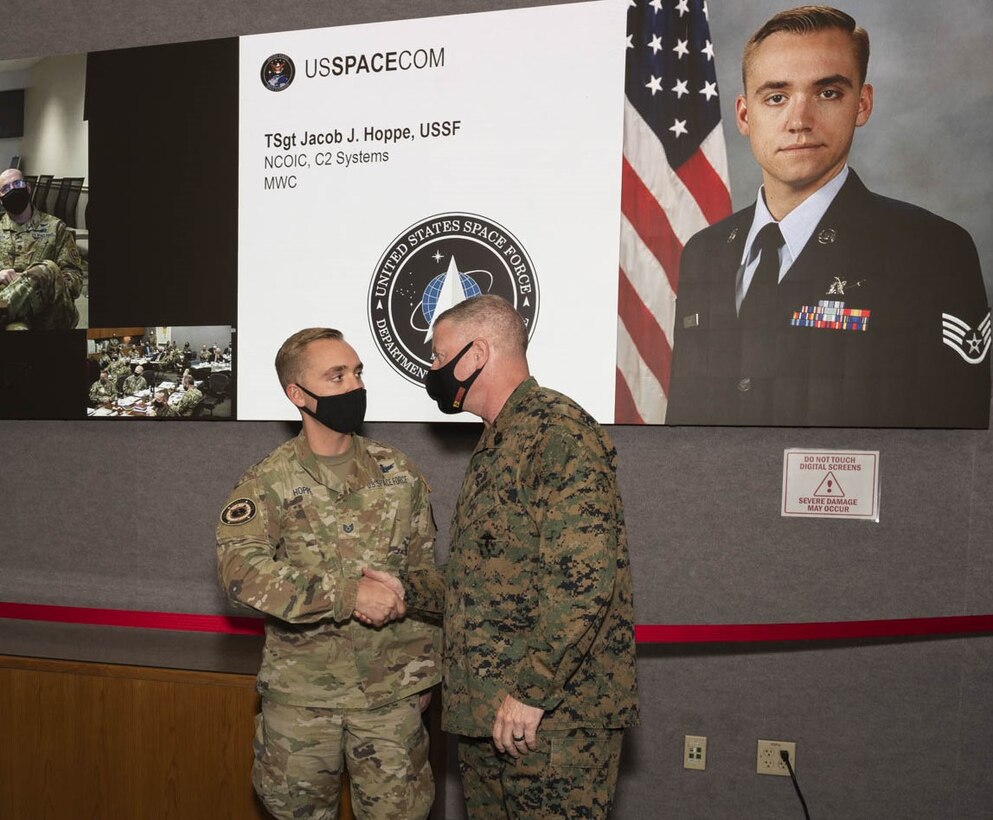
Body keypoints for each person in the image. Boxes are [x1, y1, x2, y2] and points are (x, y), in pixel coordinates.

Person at [364, 295, 639, 818]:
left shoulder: (558, 434)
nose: (433, 370)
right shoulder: (499, 439)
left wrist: (532, 691)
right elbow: (483, 581)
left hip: (553, 723)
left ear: (476, 354)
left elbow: (582, 584)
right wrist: (406, 587)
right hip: (492, 715)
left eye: (440, 356)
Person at [666, 5, 991, 428]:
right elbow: (684, 434)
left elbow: (952, 457)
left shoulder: (931, 252)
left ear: (862, 104)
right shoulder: (704, 252)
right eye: (777, 97)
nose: (799, 120)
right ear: (746, 115)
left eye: (828, 93)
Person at [216, 327, 441, 819]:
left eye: (357, 373)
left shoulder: (399, 473)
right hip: (302, 701)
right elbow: (240, 575)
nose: (353, 386)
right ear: (297, 393)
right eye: (336, 376)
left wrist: (425, 674)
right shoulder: (266, 480)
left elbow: (425, 577)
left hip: (391, 697)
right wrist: (347, 595)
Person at [0, 168, 85, 330]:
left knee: (47, 269)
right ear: (0, 198)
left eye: (17, 183)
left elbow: (76, 282)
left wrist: (38, 283)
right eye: (6, 188)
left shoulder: (56, 228)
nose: (13, 190)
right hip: (11, 317)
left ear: (28, 188)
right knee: (18, 329)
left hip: (49, 312)